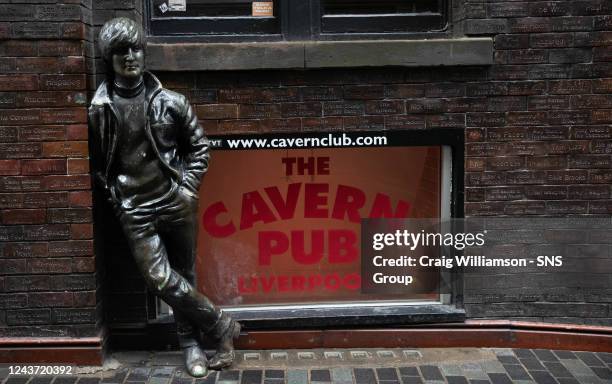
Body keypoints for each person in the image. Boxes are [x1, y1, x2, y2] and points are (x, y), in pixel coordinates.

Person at [88, 17, 240, 377]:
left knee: (183, 274)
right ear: (109, 59)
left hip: (175, 201)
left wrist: (186, 189)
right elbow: (97, 165)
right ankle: (221, 325)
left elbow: (200, 147)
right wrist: (117, 201)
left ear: (144, 53)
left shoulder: (171, 102)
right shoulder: (99, 109)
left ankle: (192, 348)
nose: (130, 57)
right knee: (159, 279)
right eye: (121, 52)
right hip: (135, 209)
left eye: (136, 49)